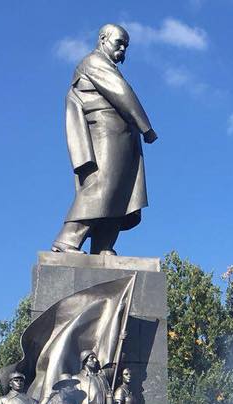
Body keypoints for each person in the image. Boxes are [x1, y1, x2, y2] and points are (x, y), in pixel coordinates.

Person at [51, 24, 158, 255]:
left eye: (126, 46)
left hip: (122, 137)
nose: (122, 49)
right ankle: (67, 240)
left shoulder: (106, 64)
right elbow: (121, 92)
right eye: (119, 42)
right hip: (105, 135)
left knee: (120, 191)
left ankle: (103, 245)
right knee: (102, 185)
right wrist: (146, 126)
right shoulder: (93, 62)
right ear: (102, 38)